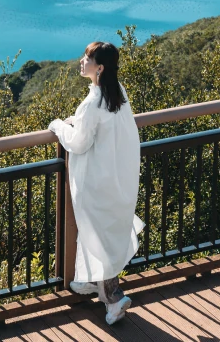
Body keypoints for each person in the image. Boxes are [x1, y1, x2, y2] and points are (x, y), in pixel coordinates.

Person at [47, 41, 144, 326]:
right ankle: (91, 282)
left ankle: (113, 299)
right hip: (115, 180)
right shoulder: (116, 93)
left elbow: (78, 143)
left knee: (97, 235)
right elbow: (99, 127)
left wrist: (57, 126)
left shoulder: (92, 103)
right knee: (100, 233)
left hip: (94, 183)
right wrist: (76, 120)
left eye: (87, 58)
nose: (81, 61)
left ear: (99, 68)